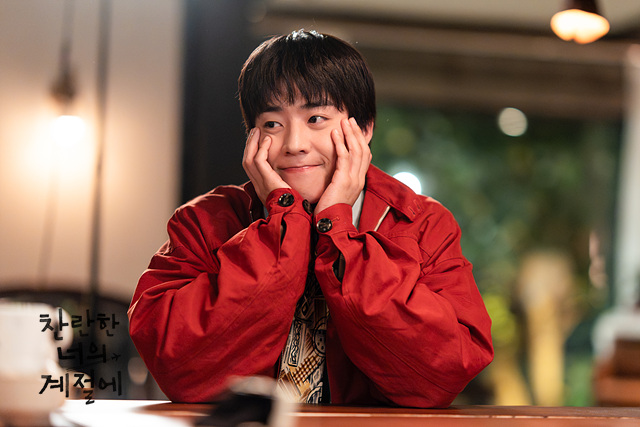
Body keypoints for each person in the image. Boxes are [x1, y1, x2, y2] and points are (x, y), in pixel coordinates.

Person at [128, 29, 493, 408]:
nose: (294, 144)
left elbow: (440, 377)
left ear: (364, 128)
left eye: (316, 118)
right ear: (252, 137)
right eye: (272, 124)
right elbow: (180, 370)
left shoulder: (421, 223)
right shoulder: (204, 221)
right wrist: (284, 224)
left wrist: (337, 229)